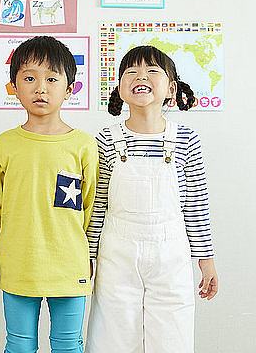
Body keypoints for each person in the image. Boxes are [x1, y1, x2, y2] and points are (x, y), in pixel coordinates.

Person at [85, 45, 219, 353]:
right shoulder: (105, 139)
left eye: (152, 71)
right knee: (111, 338)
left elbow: (196, 205)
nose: (140, 76)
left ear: (170, 88)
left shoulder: (187, 139)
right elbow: (98, 205)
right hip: (116, 253)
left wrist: (206, 260)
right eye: (130, 71)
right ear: (119, 87)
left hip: (171, 254)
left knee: (173, 337)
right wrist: (88, 257)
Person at [0, 36, 99, 353]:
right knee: (19, 344)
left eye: (52, 79)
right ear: (13, 86)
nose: (41, 88)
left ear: (69, 89)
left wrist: (84, 255)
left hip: (69, 264)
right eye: (29, 78)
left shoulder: (83, 145)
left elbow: (90, 207)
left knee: (68, 344)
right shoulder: (4, 143)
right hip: (19, 262)